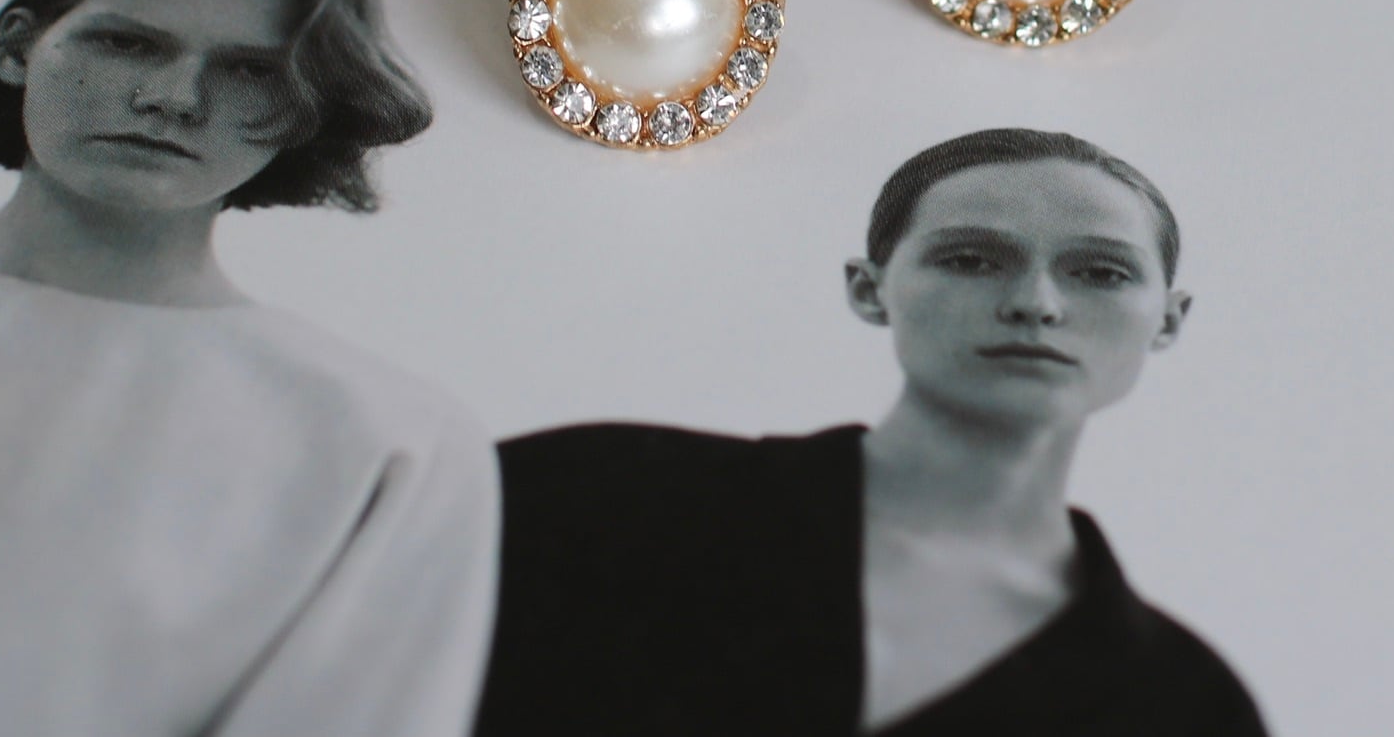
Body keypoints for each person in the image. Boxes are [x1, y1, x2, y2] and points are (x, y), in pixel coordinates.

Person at [479, 127, 1268, 736]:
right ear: (869, 288)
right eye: (971, 259)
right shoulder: (589, 493)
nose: (1035, 302)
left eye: (1100, 272)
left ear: (1168, 318)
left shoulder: (1186, 705)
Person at [0, 0, 499, 737]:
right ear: (18, 47)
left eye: (250, 69)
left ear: (307, 109)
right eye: (125, 42)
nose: (171, 97)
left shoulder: (386, 438)